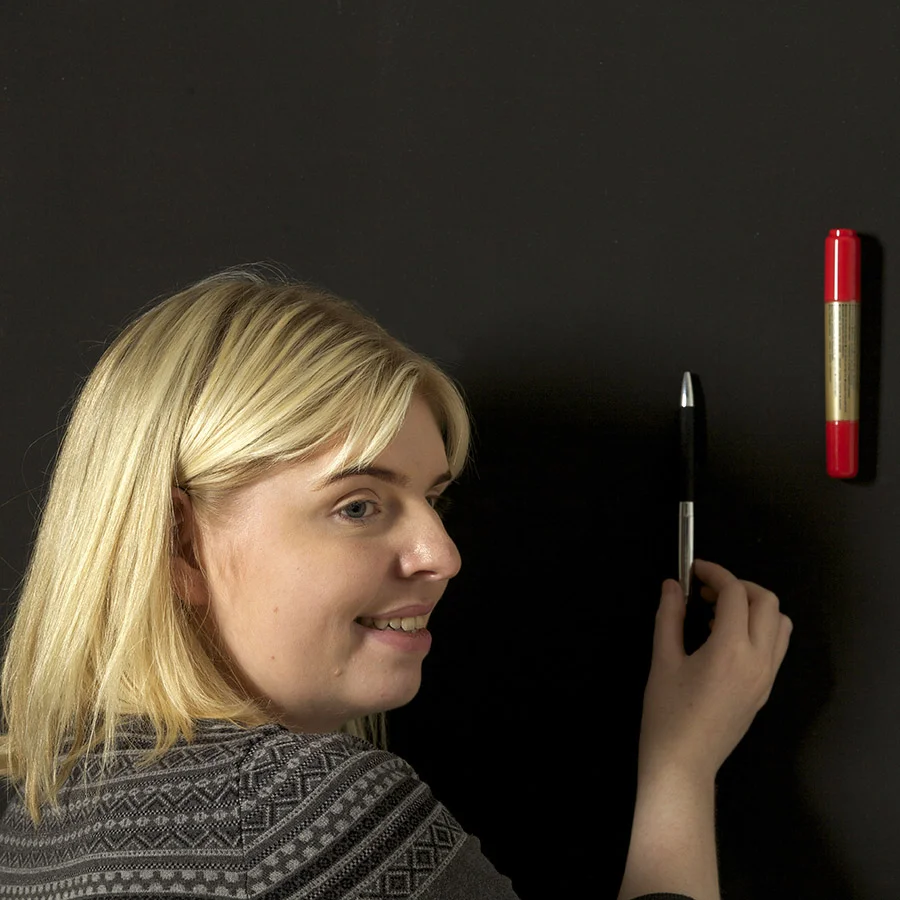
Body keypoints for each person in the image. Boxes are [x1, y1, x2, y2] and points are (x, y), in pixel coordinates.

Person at [0, 268, 791, 899]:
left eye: (434, 498)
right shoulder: (302, 820)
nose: (442, 553)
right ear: (179, 543)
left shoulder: (35, 811)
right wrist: (682, 769)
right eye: (358, 506)